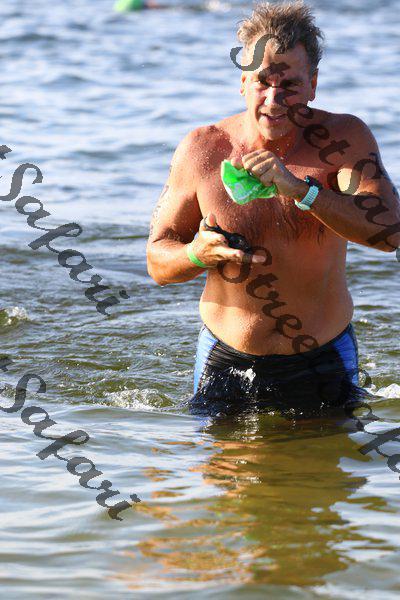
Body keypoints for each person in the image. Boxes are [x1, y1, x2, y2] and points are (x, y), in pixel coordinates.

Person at [146, 1, 400, 417]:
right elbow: (157, 261)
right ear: (243, 82)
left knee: (328, 460)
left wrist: (302, 191)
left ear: (313, 85)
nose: (274, 99)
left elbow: (390, 233)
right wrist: (197, 253)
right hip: (225, 357)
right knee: (220, 459)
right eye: (262, 82)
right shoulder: (202, 149)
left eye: (290, 85)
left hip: (323, 357)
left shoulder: (343, 141)